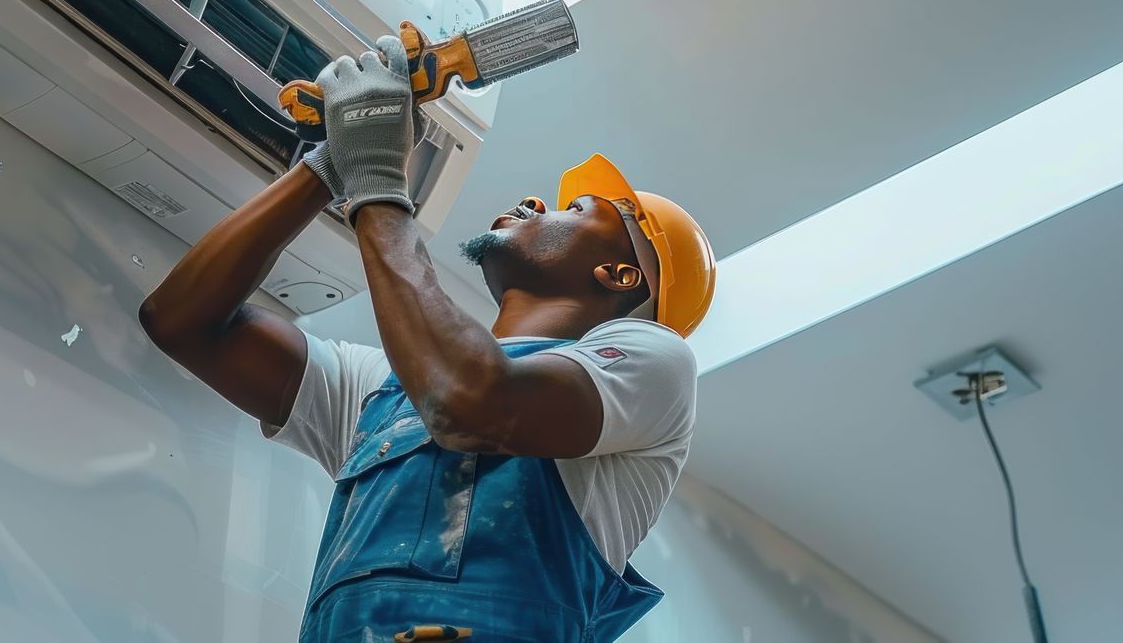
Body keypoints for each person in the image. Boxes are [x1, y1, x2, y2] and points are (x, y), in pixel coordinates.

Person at [139, 35, 715, 642]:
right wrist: (334, 161)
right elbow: (181, 321)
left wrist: (378, 181)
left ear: (621, 275)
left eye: (580, 209)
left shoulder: (656, 363)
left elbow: (471, 402)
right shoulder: (381, 390)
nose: (532, 200)